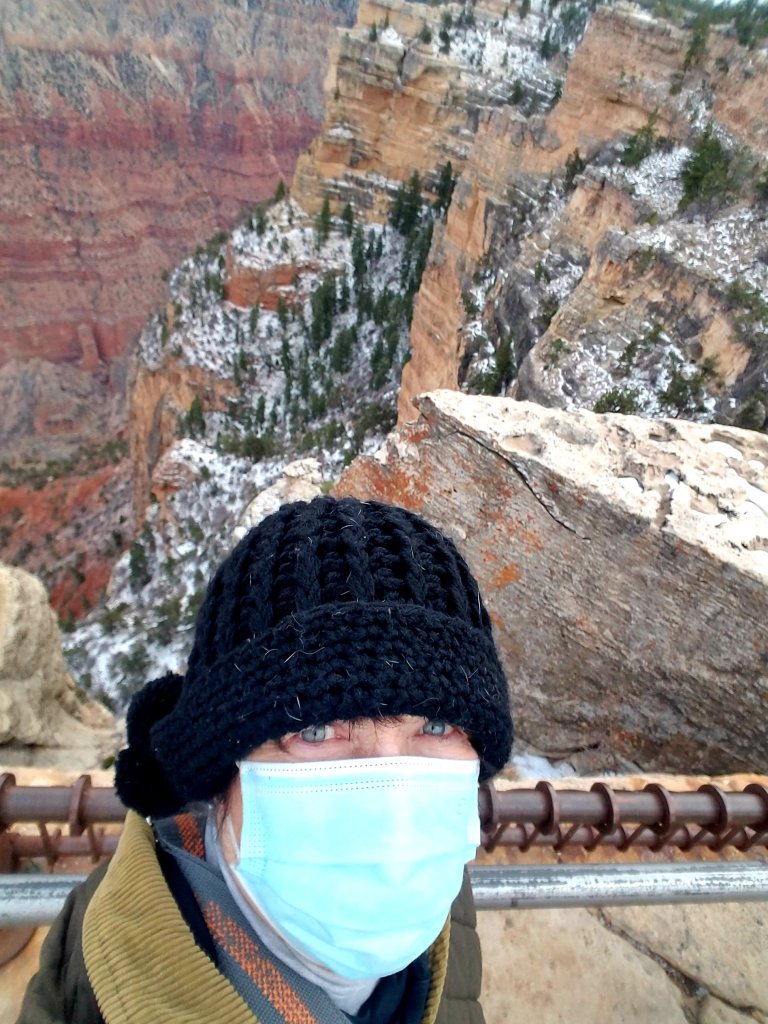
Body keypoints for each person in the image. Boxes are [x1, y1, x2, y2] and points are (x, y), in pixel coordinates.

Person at [19, 496, 513, 1024]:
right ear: (220, 774)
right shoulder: (88, 994)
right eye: (315, 730)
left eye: (436, 726)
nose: (396, 817)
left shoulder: (444, 912)